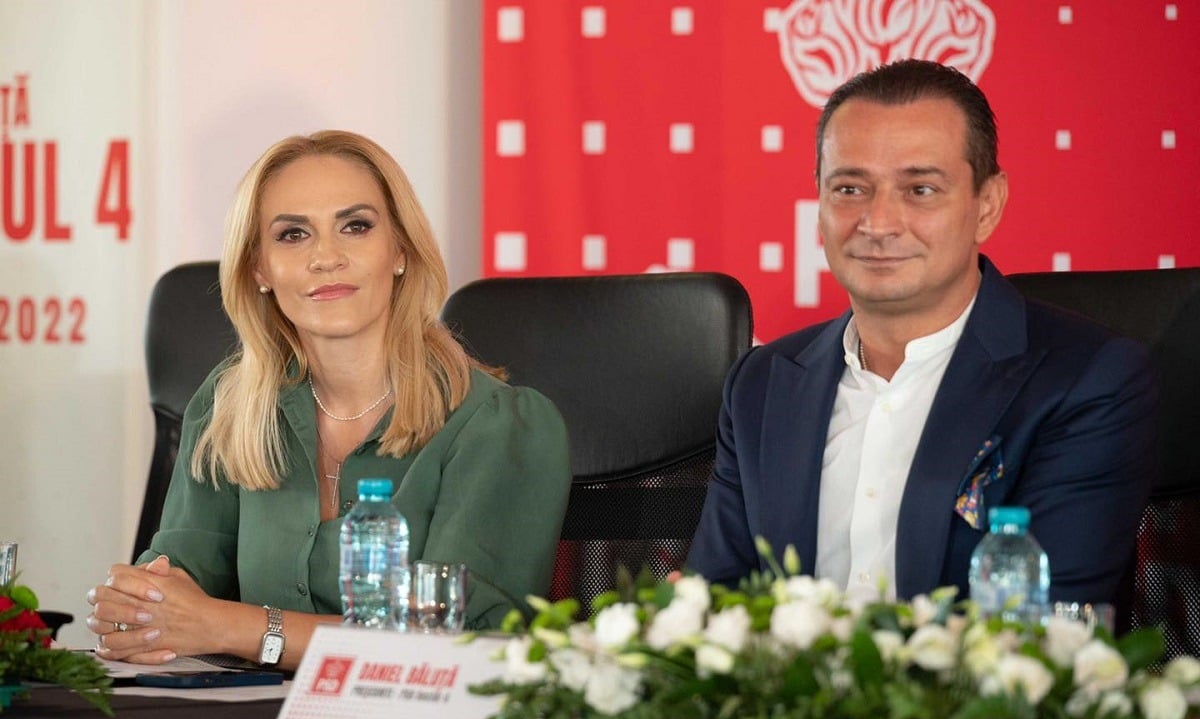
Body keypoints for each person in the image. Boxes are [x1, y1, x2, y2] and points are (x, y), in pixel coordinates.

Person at [86, 131, 571, 668]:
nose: (326, 257)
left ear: (400, 249)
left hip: (411, 718)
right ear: (260, 269)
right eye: (293, 235)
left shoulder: (499, 426)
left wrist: (232, 627)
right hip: (244, 713)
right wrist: (136, 609)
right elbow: (177, 587)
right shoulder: (231, 407)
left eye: (355, 226)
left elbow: (458, 645)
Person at [686, 60, 1156, 605]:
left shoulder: (1087, 380)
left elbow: (1040, 630)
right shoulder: (762, 384)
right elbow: (713, 605)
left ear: (988, 205)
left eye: (920, 190)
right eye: (849, 188)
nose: (878, 223)